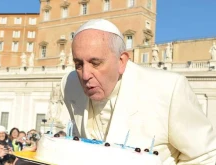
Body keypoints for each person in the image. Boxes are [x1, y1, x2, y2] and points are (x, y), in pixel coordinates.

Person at [60, 19, 216, 164]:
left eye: (96, 63)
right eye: (78, 64)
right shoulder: (69, 84)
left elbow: (206, 157)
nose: (85, 75)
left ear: (121, 61)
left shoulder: (169, 89)